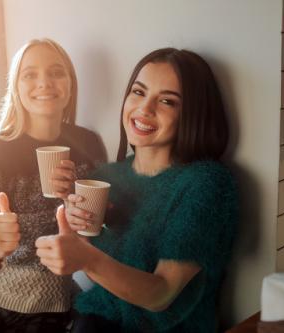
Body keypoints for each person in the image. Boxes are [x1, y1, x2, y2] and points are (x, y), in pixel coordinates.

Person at [35, 48, 238, 332]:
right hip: (96, 322)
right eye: (138, 92)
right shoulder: (105, 178)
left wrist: (87, 258)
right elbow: (105, 280)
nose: (144, 109)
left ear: (192, 114)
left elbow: (162, 294)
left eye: (167, 101)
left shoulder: (207, 184)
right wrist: (77, 229)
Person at [0, 38, 107, 333]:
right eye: (30, 74)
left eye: (56, 72)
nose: (44, 83)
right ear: (16, 86)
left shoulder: (88, 145)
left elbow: (97, 235)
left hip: (49, 300)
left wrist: (74, 203)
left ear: (70, 84)